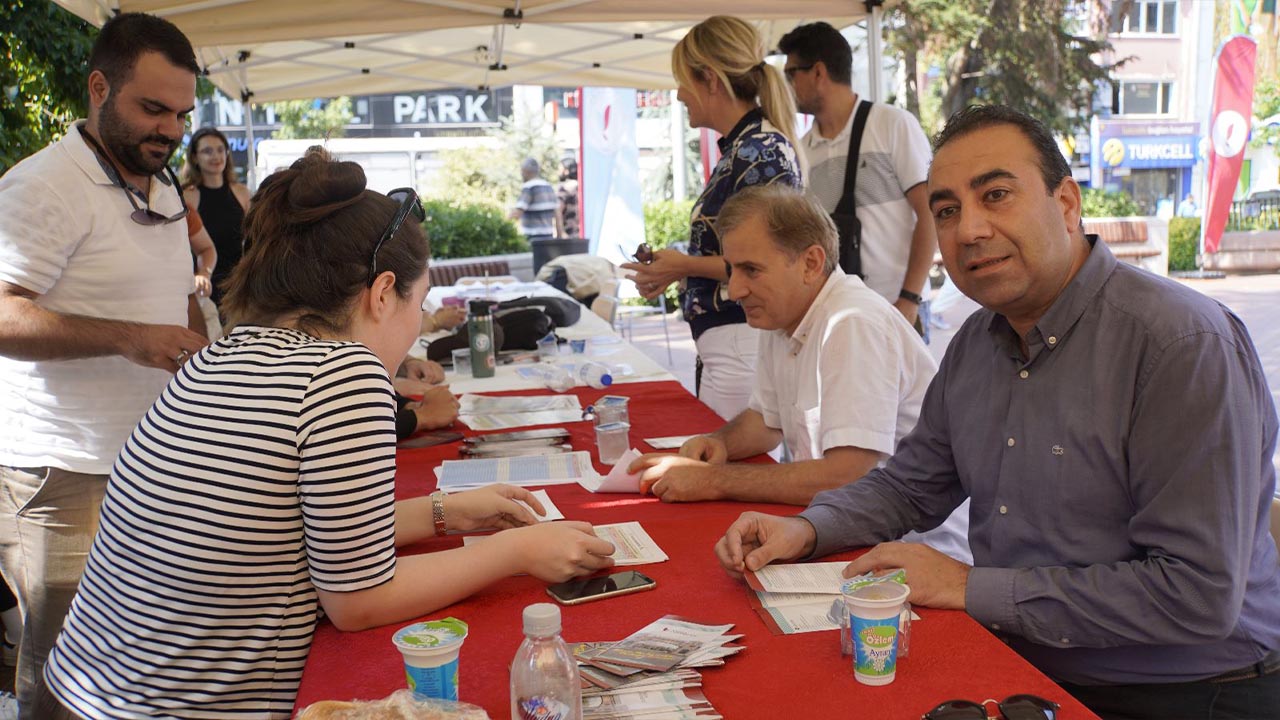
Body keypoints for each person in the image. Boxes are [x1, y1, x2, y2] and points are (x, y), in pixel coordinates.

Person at [715, 105, 1280, 720]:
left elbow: (1196, 595)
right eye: (947, 210)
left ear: (1067, 203)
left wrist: (965, 585)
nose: (969, 230)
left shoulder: (1179, 344)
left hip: (1189, 690)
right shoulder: (978, 342)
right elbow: (910, 484)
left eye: (998, 194)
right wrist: (810, 528)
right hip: (1023, 663)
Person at [44, 150, 617, 719]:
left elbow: (284, 527)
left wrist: (444, 513)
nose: (415, 323)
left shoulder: (222, 354)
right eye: (417, 303)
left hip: (94, 687)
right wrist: (517, 550)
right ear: (383, 291)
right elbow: (359, 600)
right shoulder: (343, 373)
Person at [0, 13, 209, 717]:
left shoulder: (161, 184)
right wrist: (127, 338)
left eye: (181, 113)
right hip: (64, 475)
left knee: (145, 658)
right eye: (152, 109)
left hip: (154, 461)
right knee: (63, 677)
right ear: (98, 87)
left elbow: (182, 300)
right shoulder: (43, 185)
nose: (171, 130)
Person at [628, 185, 970, 561]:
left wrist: (712, 480)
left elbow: (847, 476)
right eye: (731, 270)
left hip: (913, 552)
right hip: (847, 530)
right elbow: (765, 421)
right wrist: (720, 443)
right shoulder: (786, 312)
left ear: (810, 263)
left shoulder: (852, 322)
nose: (735, 290)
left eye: (751, 270)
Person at [622, 15, 802, 420]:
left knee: (731, 474)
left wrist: (683, 265)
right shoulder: (746, 148)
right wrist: (676, 270)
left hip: (742, 339)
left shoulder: (759, 151)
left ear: (711, 80)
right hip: (734, 340)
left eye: (684, 80)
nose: (680, 94)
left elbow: (765, 264)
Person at [778, 21, 937, 340]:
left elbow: (931, 213)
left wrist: (910, 299)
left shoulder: (892, 124)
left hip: (895, 307)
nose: (787, 86)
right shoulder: (803, 149)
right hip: (836, 316)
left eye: (791, 74)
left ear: (818, 72)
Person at [182, 126, 251, 307]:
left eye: (220, 150)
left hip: (239, 284)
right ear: (195, 157)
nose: (216, 156)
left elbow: (254, 239)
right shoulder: (188, 196)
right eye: (207, 151)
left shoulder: (242, 193)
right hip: (203, 285)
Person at [510, 157, 560, 241]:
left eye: (522, 171)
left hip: (532, 239)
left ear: (526, 171)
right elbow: (558, 214)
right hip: (548, 237)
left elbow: (517, 213)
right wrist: (559, 235)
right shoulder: (548, 186)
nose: (521, 174)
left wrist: (501, 226)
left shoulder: (529, 187)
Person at [556, 157, 580, 239]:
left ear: (566, 171)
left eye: (559, 169)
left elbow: (557, 211)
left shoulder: (564, 188)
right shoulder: (583, 187)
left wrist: (561, 233)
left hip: (569, 235)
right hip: (583, 234)